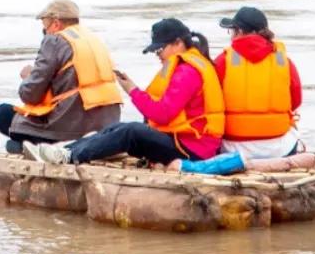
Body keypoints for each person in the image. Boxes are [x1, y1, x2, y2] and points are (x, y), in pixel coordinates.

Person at [25, 17, 224, 167]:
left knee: (131, 132)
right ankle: (61, 151)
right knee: (118, 127)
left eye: (159, 50)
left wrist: (132, 90)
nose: (158, 56)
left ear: (178, 43)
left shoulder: (188, 71)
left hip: (192, 150)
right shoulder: (190, 65)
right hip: (185, 142)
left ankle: (68, 157)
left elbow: (163, 114)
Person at [173, 5, 315, 175]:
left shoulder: (224, 61)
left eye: (232, 31)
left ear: (239, 31)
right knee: (291, 130)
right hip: (279, 148)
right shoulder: (284, 61)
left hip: (233, 148)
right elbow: (296, 101)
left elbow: (208, 102)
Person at [0, 0, 123, 152]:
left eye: (45, 28)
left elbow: (30, 95)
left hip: (73, 128)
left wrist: (28, 77)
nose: (45, 33)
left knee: (3, 113)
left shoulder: (55, 40)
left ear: (56, 24)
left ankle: (36, 147)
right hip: (108, 125)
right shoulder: (94, 40)